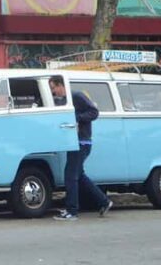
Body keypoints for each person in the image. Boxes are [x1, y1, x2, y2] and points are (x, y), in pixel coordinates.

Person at [49, 77, 113, 221]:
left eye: (53, 88)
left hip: (82, 142)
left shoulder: (77, 96)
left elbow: (94, 112)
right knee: (79, 175)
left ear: (61, 85)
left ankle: (72, 211)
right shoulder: (63, 101)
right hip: (73, 142)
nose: (53, 92)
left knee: (70, 175)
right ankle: (104, 201)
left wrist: (77, 118)